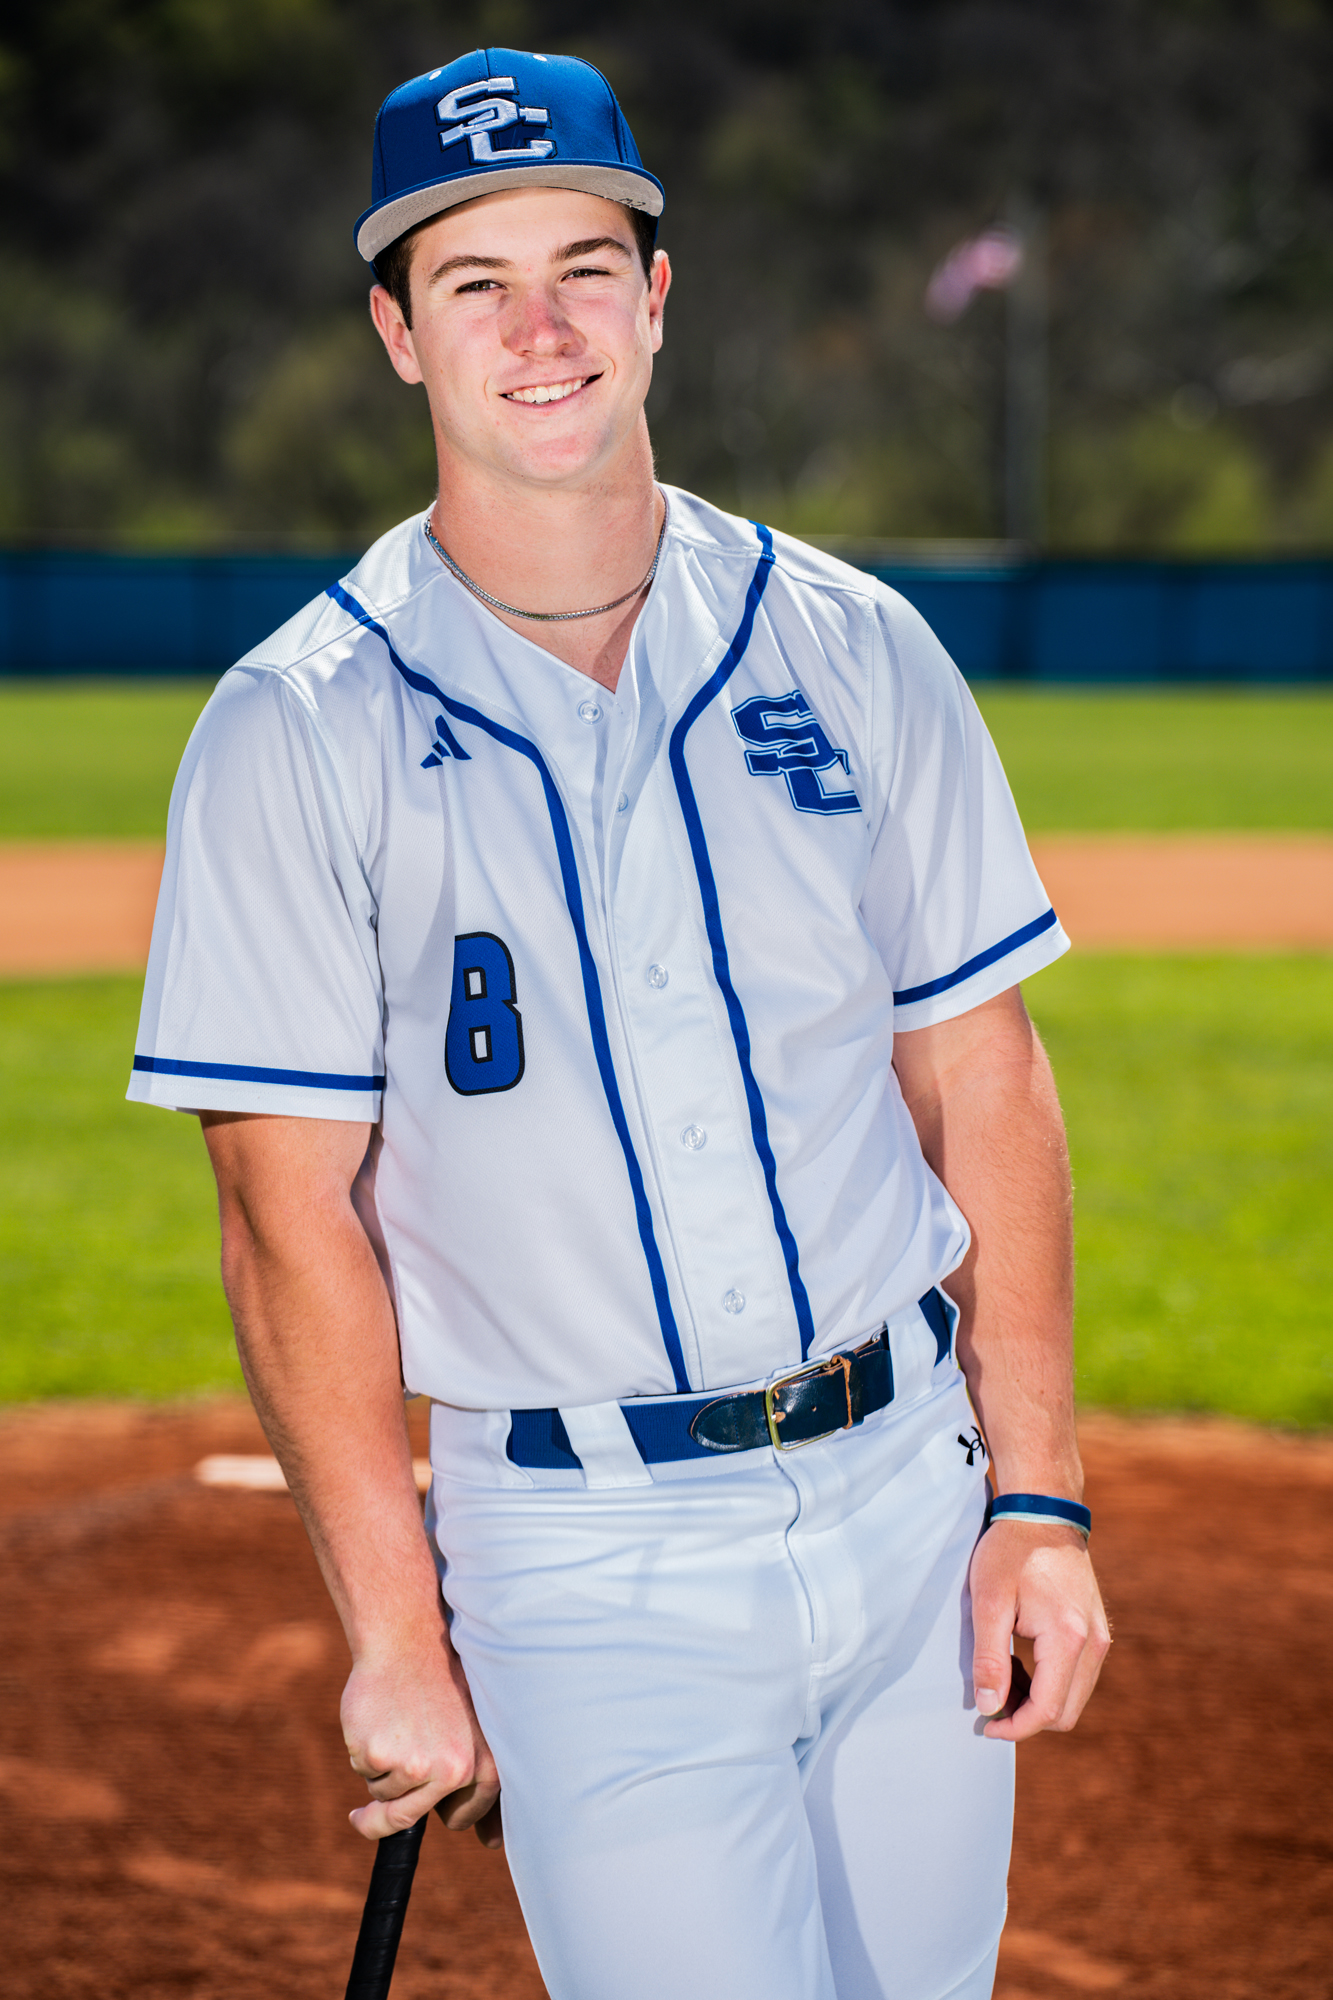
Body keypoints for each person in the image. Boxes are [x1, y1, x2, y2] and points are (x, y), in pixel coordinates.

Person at [129, 47, 1109, 2000]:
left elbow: (980, 1074)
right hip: (587, 1568)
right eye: (473, 282)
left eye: (583, 266)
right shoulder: (297, 727)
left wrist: (1035, 1495)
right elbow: (283, 1214)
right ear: (398, 334)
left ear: (656, 296)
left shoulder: (853, 645)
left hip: (909, 1495)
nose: (541, 328)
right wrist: (396, 1633)